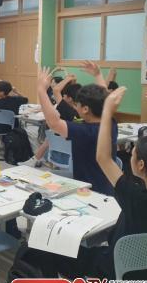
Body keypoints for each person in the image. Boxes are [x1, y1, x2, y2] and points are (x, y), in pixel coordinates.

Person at [18, 87, 147, 283]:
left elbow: (103, 158)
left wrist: (108, 111)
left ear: (141, 165)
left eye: (133, 155)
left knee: (42, 247)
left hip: (120, 273)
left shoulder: (136, 197)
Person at [37, 66, 117, 195]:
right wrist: (98, 75)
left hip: (91, 190)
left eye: (77, 104)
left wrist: (41, 89)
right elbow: (106, 102)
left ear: (85, 109)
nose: (75, 106)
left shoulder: (85, 131)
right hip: (107, 186)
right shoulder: (111, 123)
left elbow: (53, 123)